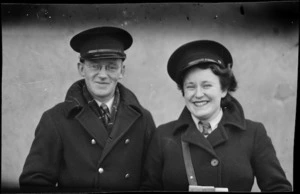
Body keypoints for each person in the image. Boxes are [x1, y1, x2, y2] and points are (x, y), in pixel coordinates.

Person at [140, 40, 292, 192]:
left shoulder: (253, 133)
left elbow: (278, 189)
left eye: (207, 85)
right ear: (183, 92)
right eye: (190, 86)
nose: (198, 94)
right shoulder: (163, 135)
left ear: (224, 89)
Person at [19, 26, 156, 192]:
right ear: (81, 69)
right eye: (95, 66)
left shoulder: (143, 119)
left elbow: (153, 182)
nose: (103, 75)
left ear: (122, 71)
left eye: (111, 67)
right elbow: (34, 183)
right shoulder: (55, 119)